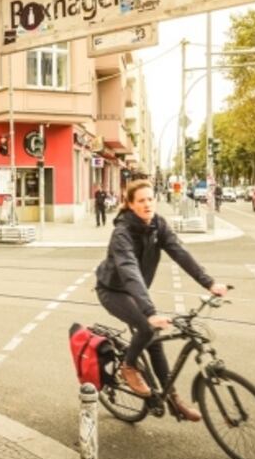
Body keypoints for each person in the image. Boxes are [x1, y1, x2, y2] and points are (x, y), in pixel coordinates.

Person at [95, 179, 228, 421]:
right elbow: (129, 271)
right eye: (141, 201)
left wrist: (209, 283)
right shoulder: (122, 234)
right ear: (131, 205)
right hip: (113, 291)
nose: (147, 204)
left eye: (150, 199)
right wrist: (149, 311)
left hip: (136, 292)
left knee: (154, 339)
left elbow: (180, 252)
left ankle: (174, 401)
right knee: (147, 326)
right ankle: (128, 365)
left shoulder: (157, 225)